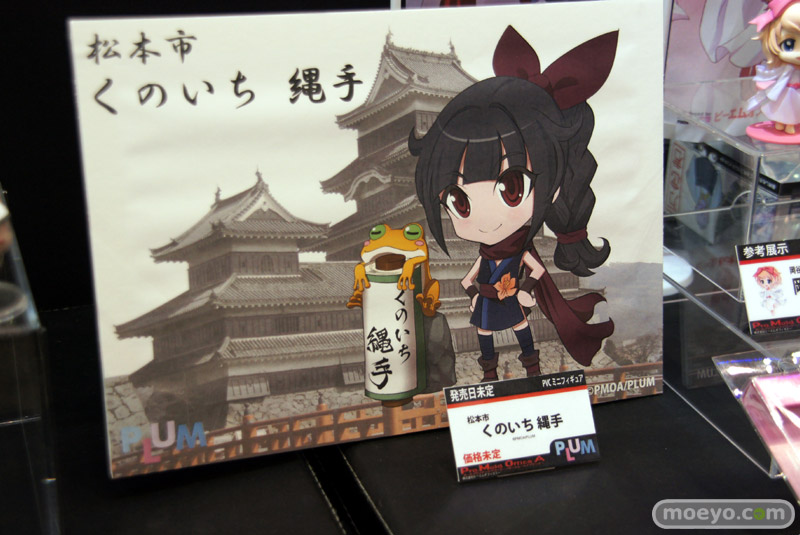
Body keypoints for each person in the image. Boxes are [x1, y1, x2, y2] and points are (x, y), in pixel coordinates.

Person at [409, 26, 616, 381]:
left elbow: (536, 271)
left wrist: (525, 291)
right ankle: (489, 373)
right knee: (486, 335)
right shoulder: (489, 253)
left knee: (521, 329)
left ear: (554, 187)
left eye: (511, 189)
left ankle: (531, 367)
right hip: (489, 301)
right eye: (458, 201)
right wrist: (474, 294)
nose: (485, 220)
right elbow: (469, 278)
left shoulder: (517, 250)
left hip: (511, 297)